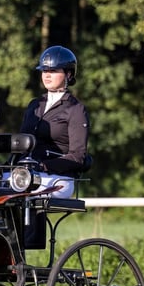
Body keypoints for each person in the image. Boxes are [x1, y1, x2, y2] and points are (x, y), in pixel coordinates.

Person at [19, 46, 90, 199]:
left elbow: (78, 156)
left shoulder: (76, 109)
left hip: (58, 178)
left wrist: (44, 166)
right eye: (44, 71)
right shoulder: (34, 105)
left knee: (25, 194)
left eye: (53, 71)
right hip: (26, 174)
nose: (47, 76)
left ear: (68, 74)